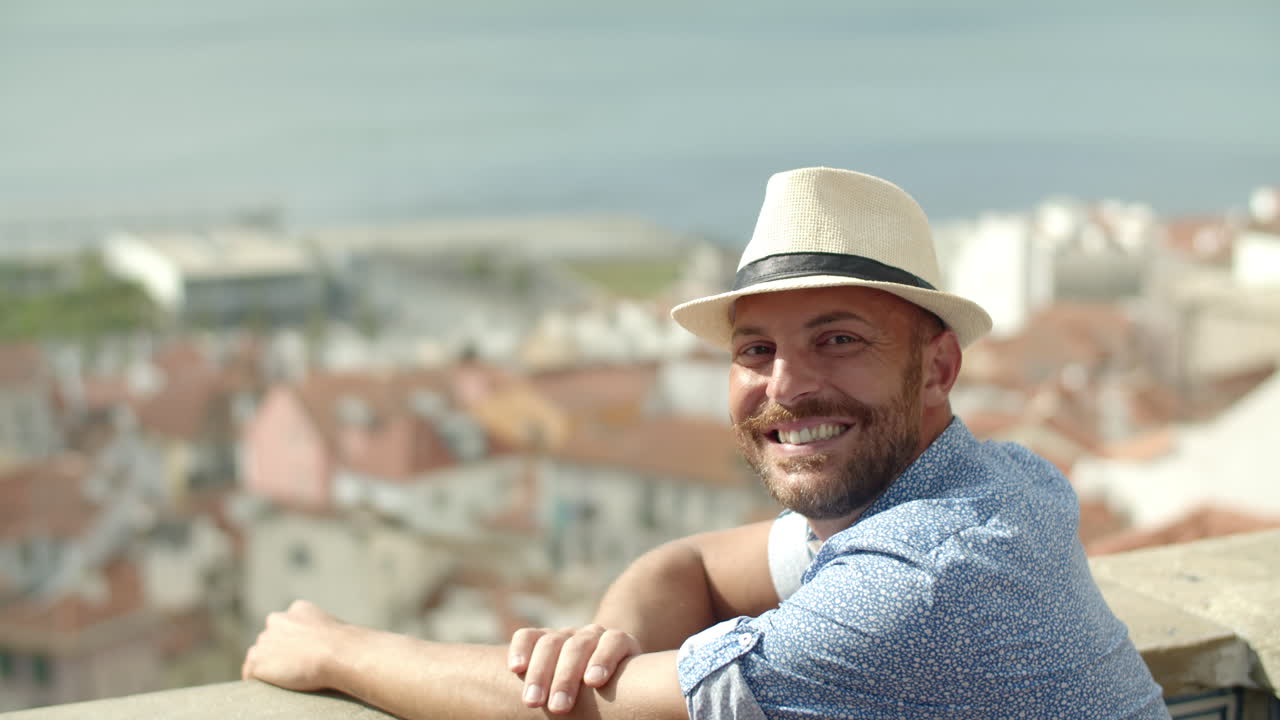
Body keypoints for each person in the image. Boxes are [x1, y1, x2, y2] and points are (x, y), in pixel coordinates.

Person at [242, 167, 1170, 719]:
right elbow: (686, 561)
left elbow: (573, 718)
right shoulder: (996, 481)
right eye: (755, 350)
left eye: (837, 339)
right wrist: (605, 647)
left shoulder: (916, 584)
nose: (786, 386)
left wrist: (332, 651)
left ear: (937, 368)